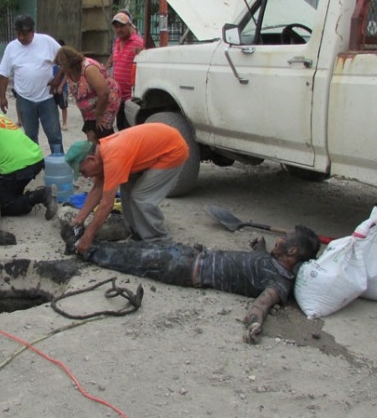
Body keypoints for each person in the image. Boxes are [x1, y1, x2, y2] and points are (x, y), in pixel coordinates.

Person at [61, 226, 320, 344]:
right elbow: (257, 262)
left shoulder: (279, 282)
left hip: (189, 269)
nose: (279, 240)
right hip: (193, 255)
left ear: (293, 250)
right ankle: (87, 242)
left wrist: (254, 323)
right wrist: (260, 246)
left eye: (284, 239)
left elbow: (262, 303)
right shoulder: (273, 259)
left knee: (132, 260)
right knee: (137, 248)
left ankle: (82, 250)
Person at [64, 123, 189, 253]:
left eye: (83, 171)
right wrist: (78, 220)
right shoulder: (101, 154)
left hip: (173, 150)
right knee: (127, 187)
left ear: (91, 159)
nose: (85, 176)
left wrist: (87, 237)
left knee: (141, 197)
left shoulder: (113, 157)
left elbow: (107, 205)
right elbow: (97, 189)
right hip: (158, 145)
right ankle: (137, 231)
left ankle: (160, 242)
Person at [0, 15, 63, 154]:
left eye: (24, 34)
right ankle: (35, 165)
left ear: (32, 31)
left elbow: (66, 60)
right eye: (18, 34)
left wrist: (57, 79)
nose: (21, 37)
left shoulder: (46, 41)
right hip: (25, 99)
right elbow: (4, 74)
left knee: (54, 135)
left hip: (47, 98)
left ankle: (58, 163)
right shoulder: (11, 47)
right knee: (30, 136)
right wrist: (2, 97)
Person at [53, 45, 121, 142]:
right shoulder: (69, 71)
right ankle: (94, 154)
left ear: (71, 64)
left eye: (63, 66)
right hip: (91, 103)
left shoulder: (89, 69)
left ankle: (108, 153)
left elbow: (104, 93)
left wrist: (99, 113)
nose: (62, 68)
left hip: (107, 100)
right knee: (90, 132)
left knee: (102, 130)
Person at [105, 11, 143, 131]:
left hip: (131, 97)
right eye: (116, 26)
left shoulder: (138, 42)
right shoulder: (117, 42)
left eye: (122, 26)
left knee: (130, 131)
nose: (119, 29)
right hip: (118, 96)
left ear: (129, 26)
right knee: (121, 128)